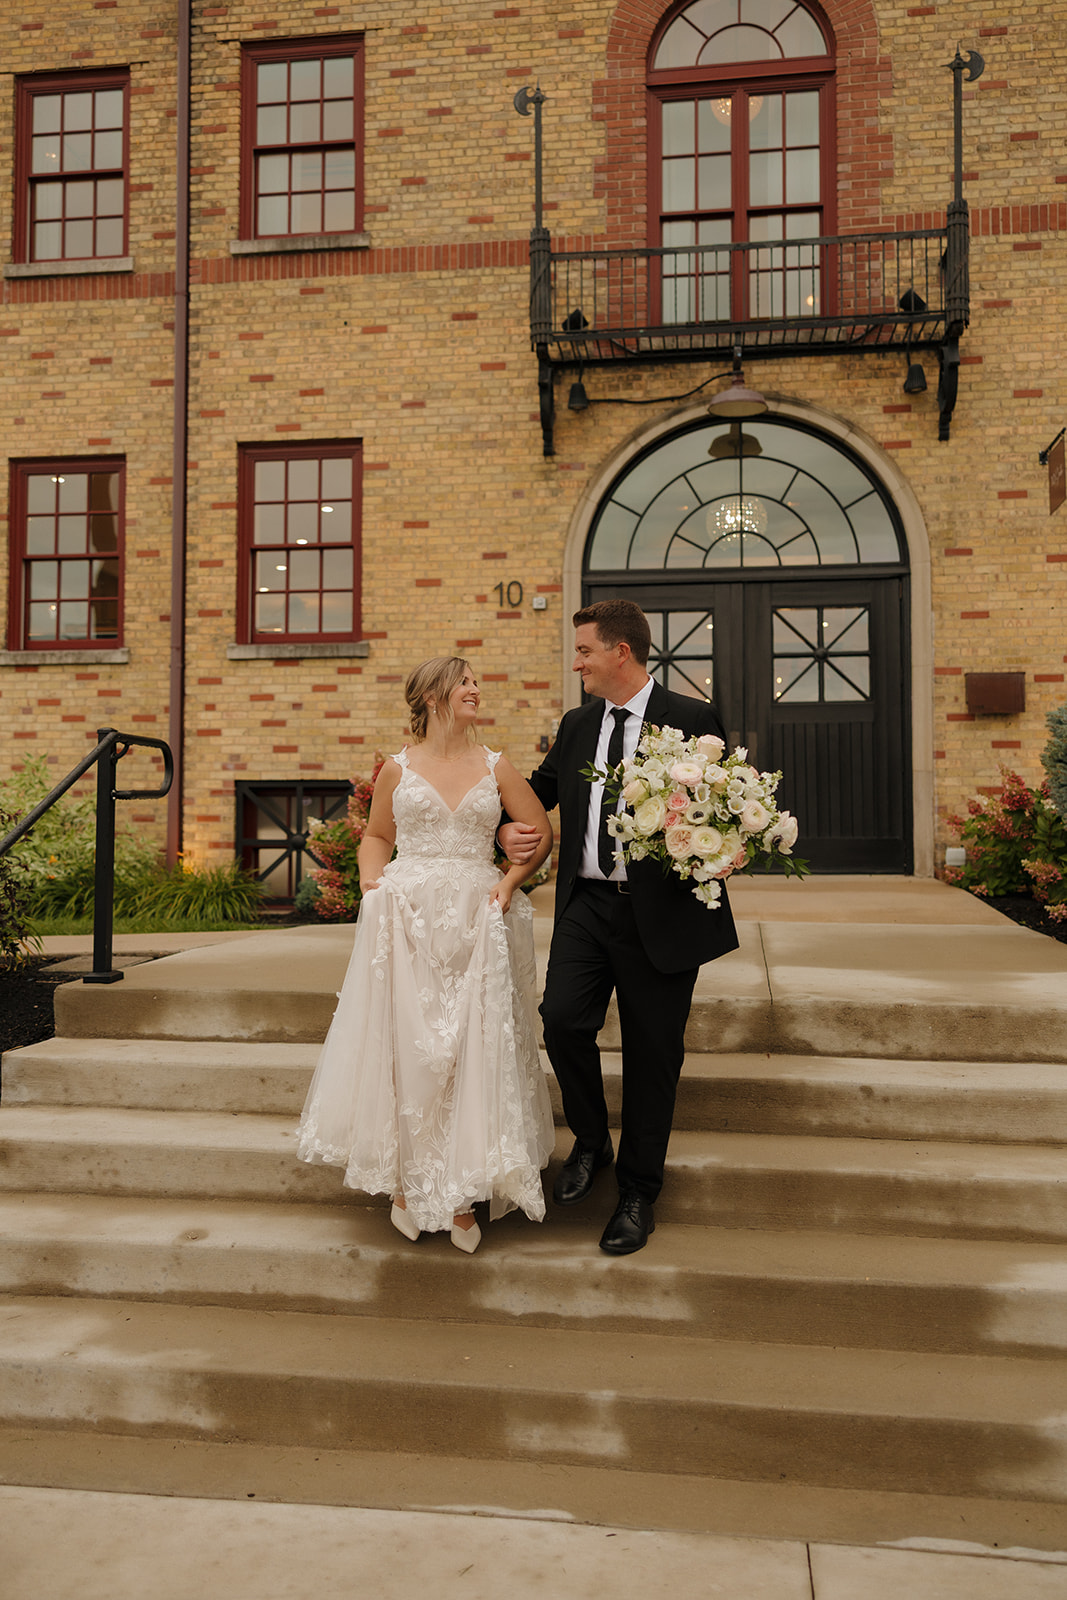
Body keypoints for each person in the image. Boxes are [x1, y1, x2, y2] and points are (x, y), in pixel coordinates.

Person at [500, 600, 739, 1256]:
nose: (575, 663)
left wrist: (720, 843)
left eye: (583, 651)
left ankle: (637, 1192)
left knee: (652, 1055)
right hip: (586, 908)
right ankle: (591, 1140)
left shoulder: (691, 720)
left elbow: (725, 805)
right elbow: (537, 790)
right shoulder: (577, 724)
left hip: (658, 915)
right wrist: (498, 821)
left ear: (620, 653)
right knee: (561, 1019)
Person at [297, 656, 555, 1253]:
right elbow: (377, 838)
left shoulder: (497, 766)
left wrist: (509, 883)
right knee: (407, 1051)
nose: (476, 688)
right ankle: (407, 1187)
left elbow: (539, 834)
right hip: (406, 921)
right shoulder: (397, 767)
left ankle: (463, 1193)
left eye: (474, 679)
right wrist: (372, 886)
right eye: (465, 682)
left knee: (468, 1051)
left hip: (474, 919)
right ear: (434, 696)